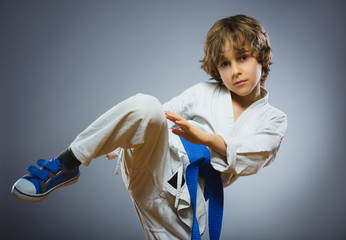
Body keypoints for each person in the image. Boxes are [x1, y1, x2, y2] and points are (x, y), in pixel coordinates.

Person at [11, 14, 287, 240]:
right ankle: (66, 163)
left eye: (242, 58)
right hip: (155, 166)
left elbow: (253, 155)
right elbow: (155, 116)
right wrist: (118, 136)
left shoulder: (274, 119)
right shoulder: (204, 92)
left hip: (193, 207)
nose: (234, 70)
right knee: (146, 105)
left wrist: (204, 138)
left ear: (261, 58)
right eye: (224, 64)